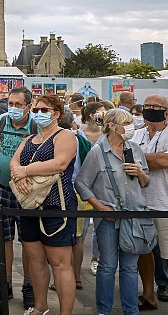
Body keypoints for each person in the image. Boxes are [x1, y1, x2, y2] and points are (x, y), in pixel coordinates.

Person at [9, 93, 79, 315]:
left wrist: (26, 171)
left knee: (59, 262)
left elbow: (60, 163)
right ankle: (40, 307)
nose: (39, 114)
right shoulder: (29, 140)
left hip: (56, 204)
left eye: (44, 110)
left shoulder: (65, 136)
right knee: (35, 260)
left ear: (56, 114)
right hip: (30, 206)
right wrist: (18, 176)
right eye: (36, 110)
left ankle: (65, 313)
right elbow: (14, 161)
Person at [75, 108, 150, 315]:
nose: (130, 128)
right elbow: (82, 184)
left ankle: (130, 310)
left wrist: (141, 173)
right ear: (111, 126)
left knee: (130, 266)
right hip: (108, 217)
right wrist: (99, 207)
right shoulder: (97, 152)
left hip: (133, 215)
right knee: (107, 265)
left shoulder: (135, 149)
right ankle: (103, 311)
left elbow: (146, 182)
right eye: (125, 123)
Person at [132, 94, 168, 314]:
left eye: (157, 106)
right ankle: (148, 295)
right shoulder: (137, 134)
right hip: (141, 203)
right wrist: (143, 158)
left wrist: (135, 158)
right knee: (143, 252)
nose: (151, 109)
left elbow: (166, 161)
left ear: (167, 112)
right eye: (147, 106)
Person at [0, 87, 37, 308]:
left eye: (19, 104)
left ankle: (28, 286)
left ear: (29, 105)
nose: (14, 108)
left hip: (27, 191)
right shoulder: (1, 123)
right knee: (2, 239)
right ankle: (4, 284)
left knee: (28, 242)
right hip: (2, 188)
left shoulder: (35, 126)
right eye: (11, 103)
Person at [75, 101, 107, 280]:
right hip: (81, 188)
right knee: (80, 230)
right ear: (89, 115)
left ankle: (97, 258)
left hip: (102, 188)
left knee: (101, 228)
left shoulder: (108, 135)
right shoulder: (78, 134)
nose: (102, 116)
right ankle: (76, 271)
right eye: (100, 113)